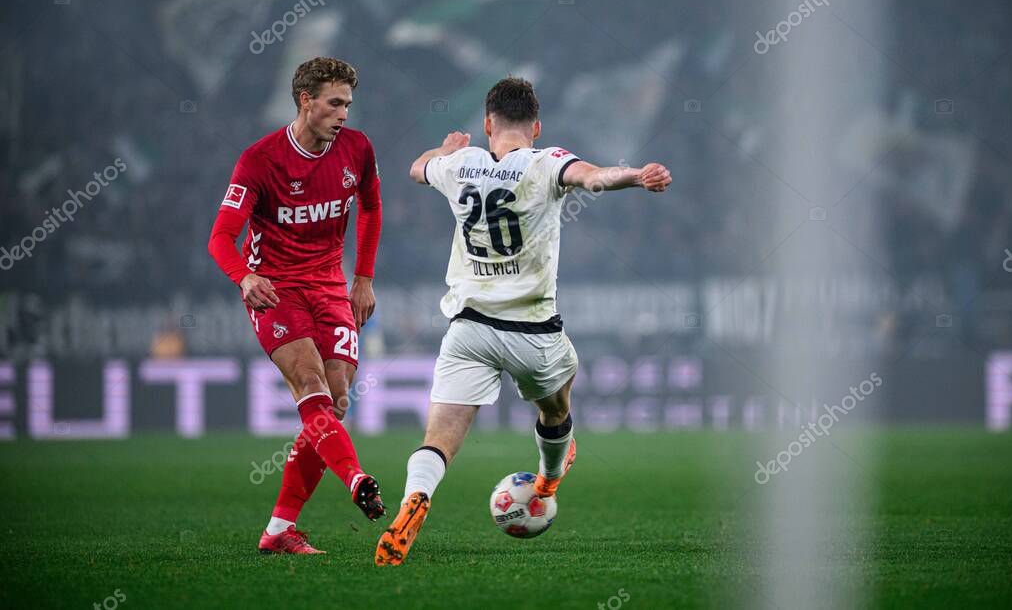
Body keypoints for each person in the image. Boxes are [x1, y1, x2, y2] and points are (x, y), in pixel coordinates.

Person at [374, 76, 671, 566]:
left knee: (439, 437)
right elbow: (594, 177)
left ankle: (414, 503)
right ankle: (547, 481)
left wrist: (444, 147)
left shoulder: (460, 163)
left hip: (468, 329)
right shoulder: (545, 161)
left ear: (487, 123)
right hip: (533, 332)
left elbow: (416, 168)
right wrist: (639, 174)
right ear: (536, 126)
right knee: (558, 405)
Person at [208, 57, 385, 554]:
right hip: (275, 289)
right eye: (334, 103)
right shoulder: (260, 160)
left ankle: (279, 531)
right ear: (306, 101)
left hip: (331, 286)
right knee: (310, 385)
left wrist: (363, 278)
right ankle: (355, 479)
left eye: (348, 104)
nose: (344, 114)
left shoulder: (357, 149)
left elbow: (371, 206)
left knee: (335, 401)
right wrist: (244, 277)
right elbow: (221, 236)